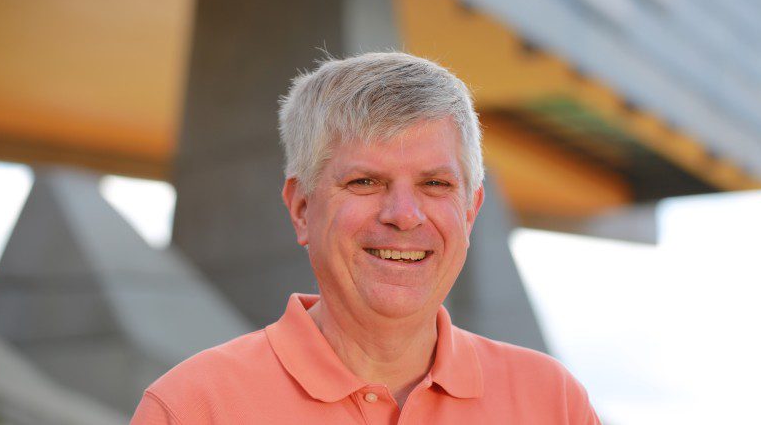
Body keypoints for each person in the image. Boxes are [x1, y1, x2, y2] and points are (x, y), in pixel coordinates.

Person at [130, 52, 601, 424]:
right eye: (365, 182)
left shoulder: (553, 403)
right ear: (301, 209)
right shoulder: (192, 409)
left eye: (435, 184)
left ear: (471, 211)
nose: (403, 215)